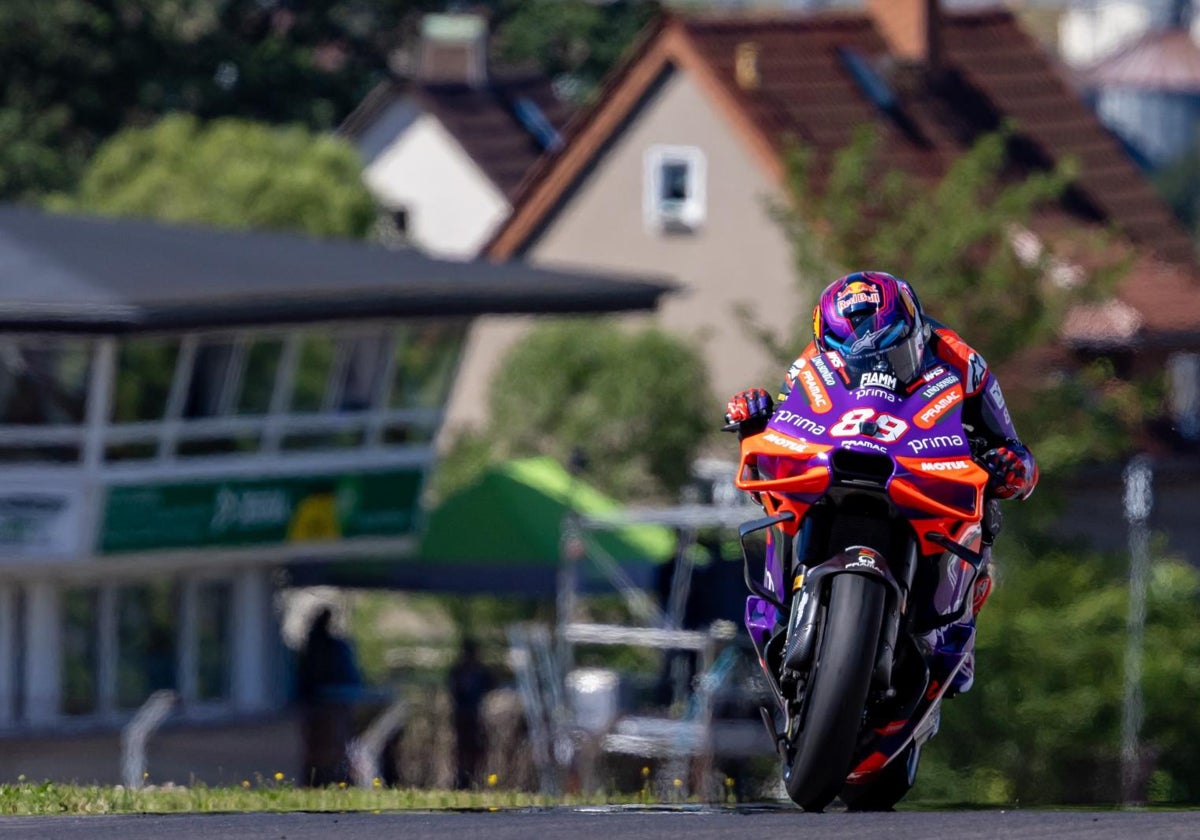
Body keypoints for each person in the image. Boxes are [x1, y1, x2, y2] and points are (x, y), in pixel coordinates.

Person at [723, 270, 1038, 695]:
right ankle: (783, 601)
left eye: (890, 350)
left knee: (987, 511)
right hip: (841, 457)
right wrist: (753, 417)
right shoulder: (812, 360)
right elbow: (786, 424)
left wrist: (1011, 466)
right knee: (781, 491)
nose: (873, 366)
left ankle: (956, 631)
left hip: (921, 465)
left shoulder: (962, 361)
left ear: (914, 329)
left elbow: (1017, 453)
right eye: (852, 357)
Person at [297, 606, 364, 786]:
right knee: (329, 745)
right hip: (328, 702)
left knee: (329, 746)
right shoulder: (326, 646)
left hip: (323, 701)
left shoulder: (318, 645)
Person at [448, 638, 495, 789]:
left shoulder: (477, 671)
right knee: (463, 750)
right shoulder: (460, 671)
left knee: (476, 749)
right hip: (464, 716)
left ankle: (474, 778)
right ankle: (463, 779)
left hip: (475, 716)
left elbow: (492, 684)